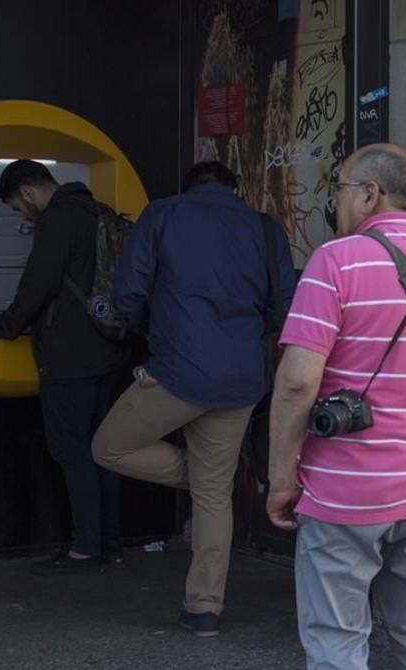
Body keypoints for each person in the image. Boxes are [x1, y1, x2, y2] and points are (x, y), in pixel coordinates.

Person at [266, 143, 406, 669]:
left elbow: (298, 383)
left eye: (338, 189)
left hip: (343, 490)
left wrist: (280, 479)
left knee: (337, 634)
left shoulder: (333, 262)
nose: (334, 203)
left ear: (369, 194)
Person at [91, 161, 296, 637]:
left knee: (108, 447)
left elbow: (128, 294)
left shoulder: (161, 215)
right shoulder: (265, 228)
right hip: (242, 377)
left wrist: (153, 330)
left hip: (177, 371)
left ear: (190, 187)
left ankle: (204, 485)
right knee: (212, 492)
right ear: (233, 188)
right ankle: (203, 608)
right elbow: (284, 306)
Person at [0, 159, 131, 574]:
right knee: (104, 451)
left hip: (70, 358)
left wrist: (4, 325)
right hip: (110, 351)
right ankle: (110, 544)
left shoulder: (57, 220)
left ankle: (84, 548)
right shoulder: (98, 211)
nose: (21, 215)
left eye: (16, 207)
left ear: (28, 192)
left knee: (71, 449)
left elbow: (38, 285)